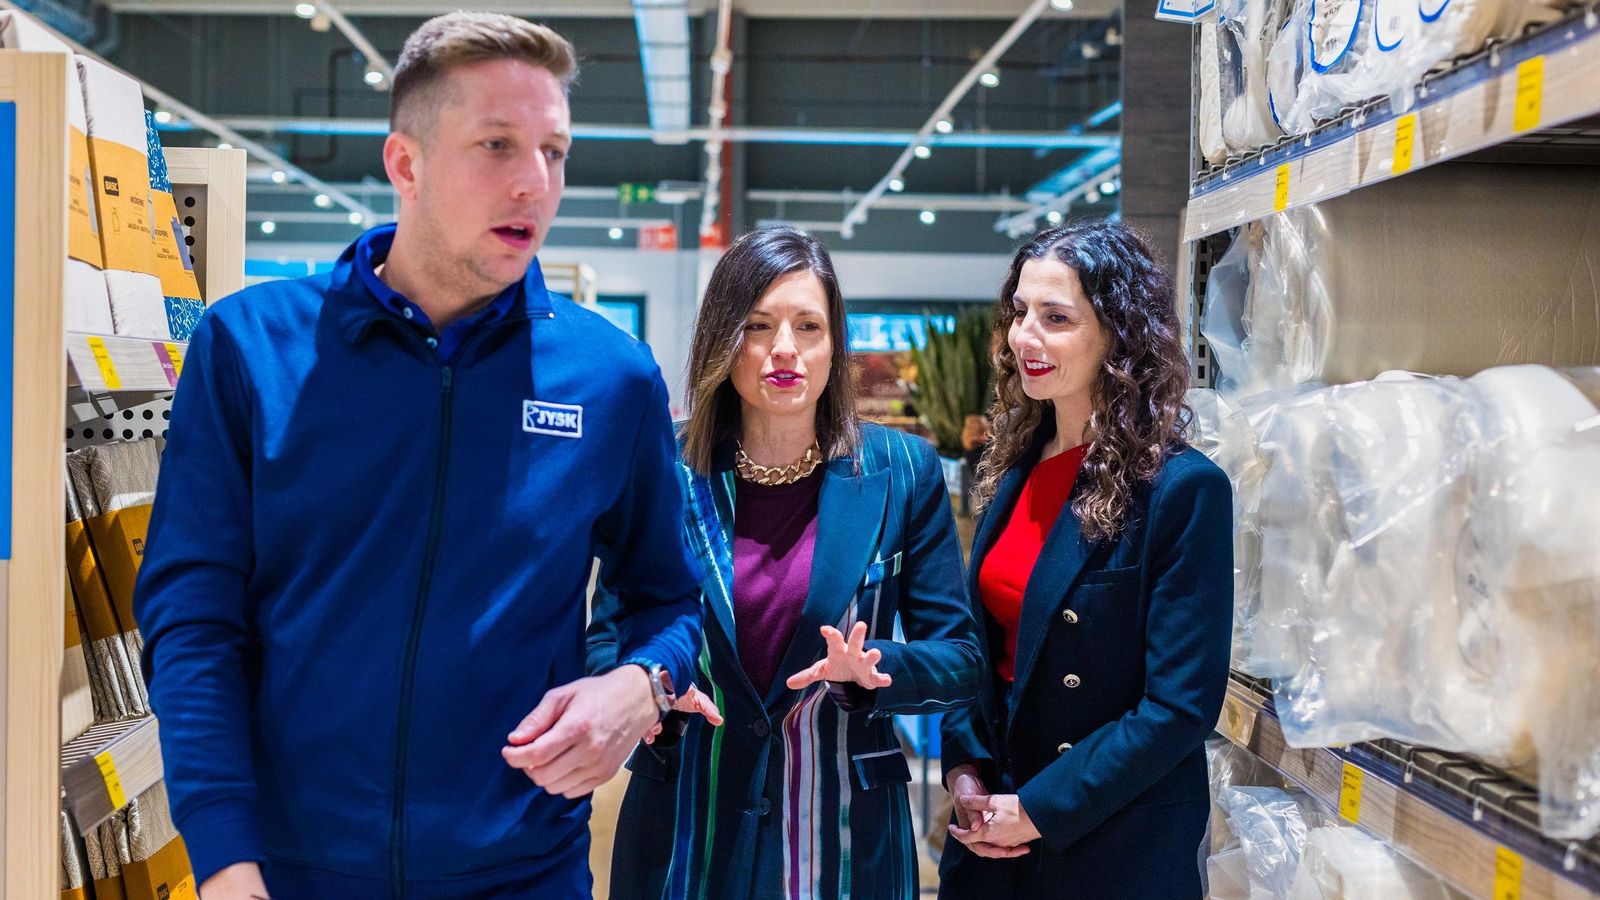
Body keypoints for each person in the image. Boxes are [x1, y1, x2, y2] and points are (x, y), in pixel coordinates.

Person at [134, 13, 702, 899]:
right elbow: (193, 618)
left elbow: (670, 598)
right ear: (406, 162)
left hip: (523, 873)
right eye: (496, 145)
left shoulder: (611, 378)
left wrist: (645, 681)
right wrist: (224, 856)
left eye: (553, 151)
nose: (534, 184)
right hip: (288, 872)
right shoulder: (250, 349)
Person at [588, 226, 982, 899]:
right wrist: (649, 689)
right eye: (758, 325)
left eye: (808, 326)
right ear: (723, 339)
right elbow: (605, 638)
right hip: (688, 831)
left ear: (835, 346)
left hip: (847, 843)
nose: (785, 351)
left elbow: (961, 656)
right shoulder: (666, 468)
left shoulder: (900, 471)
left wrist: (878, 669)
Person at [937, 221, 1234, 899]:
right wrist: (964, 768)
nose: (1024, 337)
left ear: (1118, 334)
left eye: (1056, 318)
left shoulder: (1183, 490)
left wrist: (1041, 810)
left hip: (1109, 841)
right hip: (994, 826)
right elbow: (981, 648)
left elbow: (1180, 706)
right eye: (1019, 313)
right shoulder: (1014, 466)